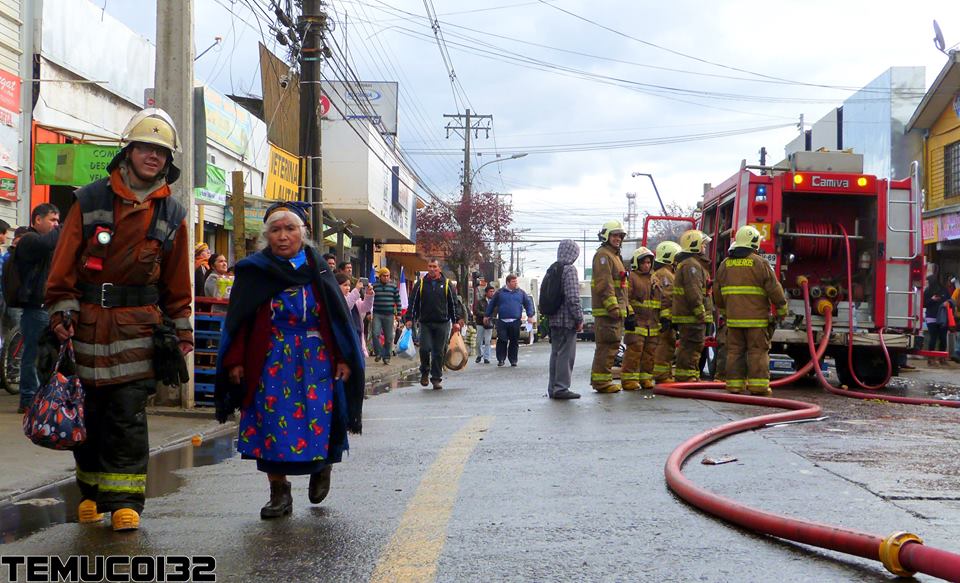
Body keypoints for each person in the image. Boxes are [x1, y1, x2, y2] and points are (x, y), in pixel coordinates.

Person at [45, 108, 193, 531]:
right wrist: (61, 307)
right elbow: (64, 262)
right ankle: (90, 492)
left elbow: (176, 280)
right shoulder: (89, 199)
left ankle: (126, 500)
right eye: (146, 147)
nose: (154, 157)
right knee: (89, 413)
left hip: (138, 328)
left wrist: (181, 329)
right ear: (128, 151)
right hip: (87, 322)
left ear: (169, 161)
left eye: (162, 152)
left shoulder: (172, 215)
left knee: (127, 414)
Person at [214, 201, 364, 520]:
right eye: (276, 230)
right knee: (271, 422)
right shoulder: (254, 271)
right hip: (270, 358)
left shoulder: (319, 270)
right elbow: (240, 320)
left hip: (317, 358)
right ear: (266, 236)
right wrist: (236, 360)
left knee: (318, 418)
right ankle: (279, 493)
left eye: (290, 229)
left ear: (303, 233)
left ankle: (321, 467)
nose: (283, 236)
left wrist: (343, 358)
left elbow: (337, 320)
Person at [713, 226, 787, 395]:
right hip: (756, 320)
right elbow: (774, 288)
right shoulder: (760, 263)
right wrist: (782, 308)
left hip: (733, 319)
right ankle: (758, 386)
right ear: (755, 243)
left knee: (734, 352)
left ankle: (734, 385)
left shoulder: (725, 264)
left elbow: (717, 291)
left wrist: (724, 310)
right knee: (757, 352)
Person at [14, 203, 62, 413]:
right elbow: (48, 243)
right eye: (52, 220)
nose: (56, 224)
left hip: (48, 307)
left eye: (58, 220)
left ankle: (42, 396)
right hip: (35, 309)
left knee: (47, 355)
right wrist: (67, 227)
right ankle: (28, 398)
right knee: (32, 354)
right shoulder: (30, 240)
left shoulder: (48, 244)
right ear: (37, 220)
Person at [589, 220, 631, 392]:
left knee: (612, 345)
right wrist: (613, 307)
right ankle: (601, 382)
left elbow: (621, 288)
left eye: (620, 236)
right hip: (608, 312)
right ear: (606, 236)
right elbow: (604, 284)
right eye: (614, 235)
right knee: (606, 346)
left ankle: (603, 381)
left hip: (615, 312)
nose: (618, 239)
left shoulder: (614, 256)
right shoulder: (604, 256)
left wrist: (626, 310)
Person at [405, 258, 460, 389]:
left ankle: (436, 378)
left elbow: (453, 304)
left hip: (443, 323)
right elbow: (413, 302)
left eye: (434, 266)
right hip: (425, 323)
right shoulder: (421, 284)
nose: (432, 269)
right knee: (424, 349)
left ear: (439, 268)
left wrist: (456, 321)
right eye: (430, 266)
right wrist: (409, 318)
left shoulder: (447, 284)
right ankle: (424, 371)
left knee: (438, 351)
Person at [672, 229, 714, 382]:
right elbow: (693, 292)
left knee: (694, 346)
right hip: (691, 316)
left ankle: (691, 374)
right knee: (691, 346)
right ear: (695, 246)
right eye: (703, 245)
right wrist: (700, 313)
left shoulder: (693, 264)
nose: (705, 248)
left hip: (690, 316)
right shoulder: (691, 266)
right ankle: (686, 377)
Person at [546, 240, 583, 399]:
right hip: (567, 320)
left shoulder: (552, 269)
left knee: (555, 354)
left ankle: (553, 387)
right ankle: (561, 388)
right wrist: (579, 317)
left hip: (553, 319)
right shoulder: (569, 270)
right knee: (566, 355)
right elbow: (573, 297)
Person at [621, 246, 659, 390]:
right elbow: (626, 298)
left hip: (652, 323)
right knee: (634, 352)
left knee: (649, 353)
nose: (646, 265)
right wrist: (629, 315)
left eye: (649, 263)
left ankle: (646, 378)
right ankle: (629, 380)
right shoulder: (632, 278)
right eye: (643, 263)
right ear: (637, 263)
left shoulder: (653, 278)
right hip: (637, 322)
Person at [485, 274, 535, 367]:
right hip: (502, 321)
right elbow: (492, 304)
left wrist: (530, 315)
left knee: (514, 341)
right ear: (508, 282)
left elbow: (528, 304)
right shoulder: (500, 293)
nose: (516, 283)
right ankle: (501, 359)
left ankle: (513, 360)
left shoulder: (521, 293)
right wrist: (487, 315)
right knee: (502, 340)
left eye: (516, 281)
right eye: (513, 281)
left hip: (515, 321)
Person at [652, 241, 681, 383]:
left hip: (666, 318)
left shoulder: (665, 273)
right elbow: (667, 298)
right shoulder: (665, 275)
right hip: (665, 319)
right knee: (664, 347)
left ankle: (665, 375)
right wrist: (667, 318)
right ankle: (662, 376)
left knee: (667, 346)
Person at [370, 267, 401, 365]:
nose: (386, 277)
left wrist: (399, 313)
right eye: (384, 276)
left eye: (388, 276)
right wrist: (368, 312)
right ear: (380, 276)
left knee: (389, 337)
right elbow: (369, 299)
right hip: (377, 314)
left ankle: (386, 356)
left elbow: (398, 301)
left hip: (389, 314)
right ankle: (379, 353)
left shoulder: (393, 286)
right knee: (375, 334)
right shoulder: (374, 286)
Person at [339, 273, 374, 356]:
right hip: (346, 334)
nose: (348, 288)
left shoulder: (353, 296)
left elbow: (365, 307)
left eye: (349, 285)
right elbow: (346, 307)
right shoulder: (338, 298)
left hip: (357, 333)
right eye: (344, 285)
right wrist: (356, 290)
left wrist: (369, 295)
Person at [924, 274, 948, 366]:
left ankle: (941, 358)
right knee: (933, 337)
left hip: (942, 317)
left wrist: (947, 302)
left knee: (942, 338)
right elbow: (924, 304)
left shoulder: (944, 290)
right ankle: (931, 358)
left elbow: (950, 300)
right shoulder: (927, 291)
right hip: (931, 317)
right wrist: (932, 299)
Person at [473, 285, 495, 364]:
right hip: (480, 323)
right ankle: (480, 354)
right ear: (486, 293)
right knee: (478, 341)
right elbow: (476, 311)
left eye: (493, 291)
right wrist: (485, 315)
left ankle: (487, 357)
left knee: (487, 341)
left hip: (489, 323)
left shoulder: (494, 302)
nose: (492, 293)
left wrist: (490, 317)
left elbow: (495, 312)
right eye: (490, 292)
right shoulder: (480, 301)